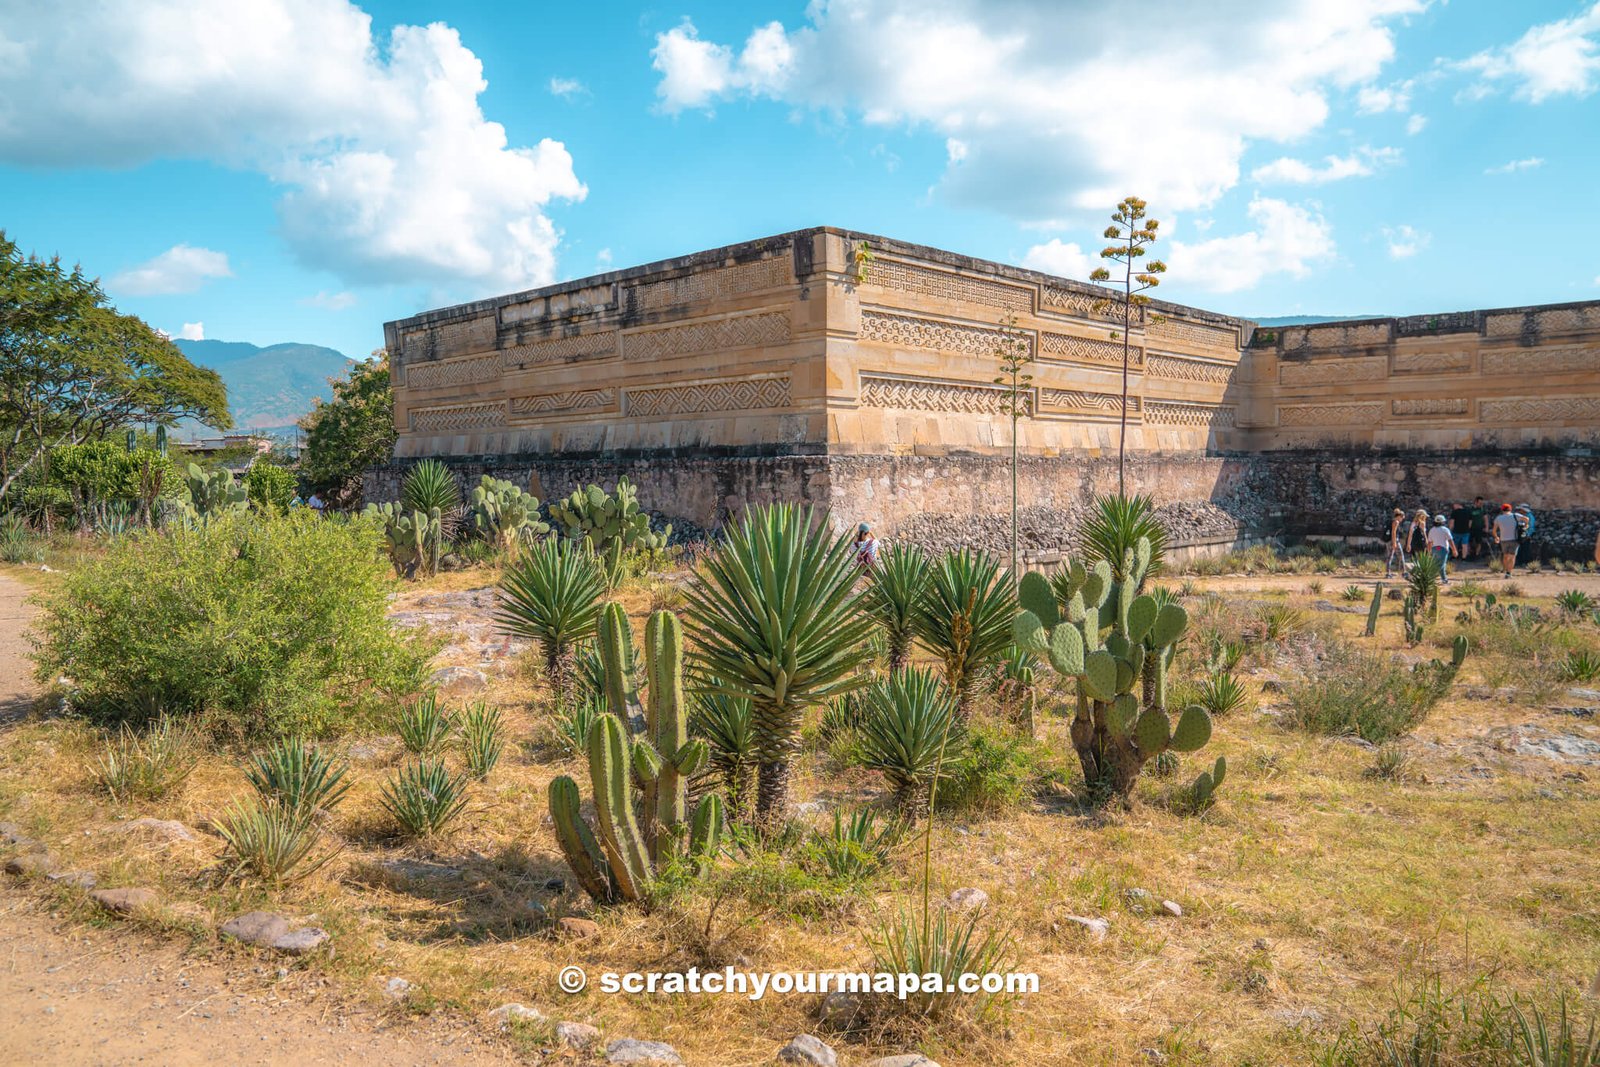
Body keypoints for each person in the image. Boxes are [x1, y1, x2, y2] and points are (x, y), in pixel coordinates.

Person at [1426, 513, 1458, 583]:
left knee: (1438, 564)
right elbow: (1450, 540)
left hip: (1434, 549)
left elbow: (1429, 542)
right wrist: (1454, 550)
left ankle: (1443, 579)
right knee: (1441, 565)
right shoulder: (1445, 530)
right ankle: (1435, 578)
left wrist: (1429, 551)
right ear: (1442, 522)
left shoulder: (1432, 530)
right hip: (1443, 549)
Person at [1492, 503, 1520, 577]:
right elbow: (1527, 519)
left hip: (1503, 540)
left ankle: (1505, 570)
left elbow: (1494, 531)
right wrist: (1526, 526)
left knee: (1505, 556)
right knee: (1512, 557)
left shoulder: (1499, 518)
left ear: (1502, 510)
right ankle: (1509, 573)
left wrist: (1496, 537)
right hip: (1514, 539)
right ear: (1510, 509)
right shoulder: (1515, 516)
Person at [1384, 507, 1409, 577]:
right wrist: (1394, 543)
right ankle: (1404, 572)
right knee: (1400, 556)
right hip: (1394, 541)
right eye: (1402, 518)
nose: (1402, 519)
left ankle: (1388, 572)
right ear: (1399, 516)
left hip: (1389, 541)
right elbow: (1393, 533)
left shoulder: (1391, 521)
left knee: (1390, 557)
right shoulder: (1396, 522)